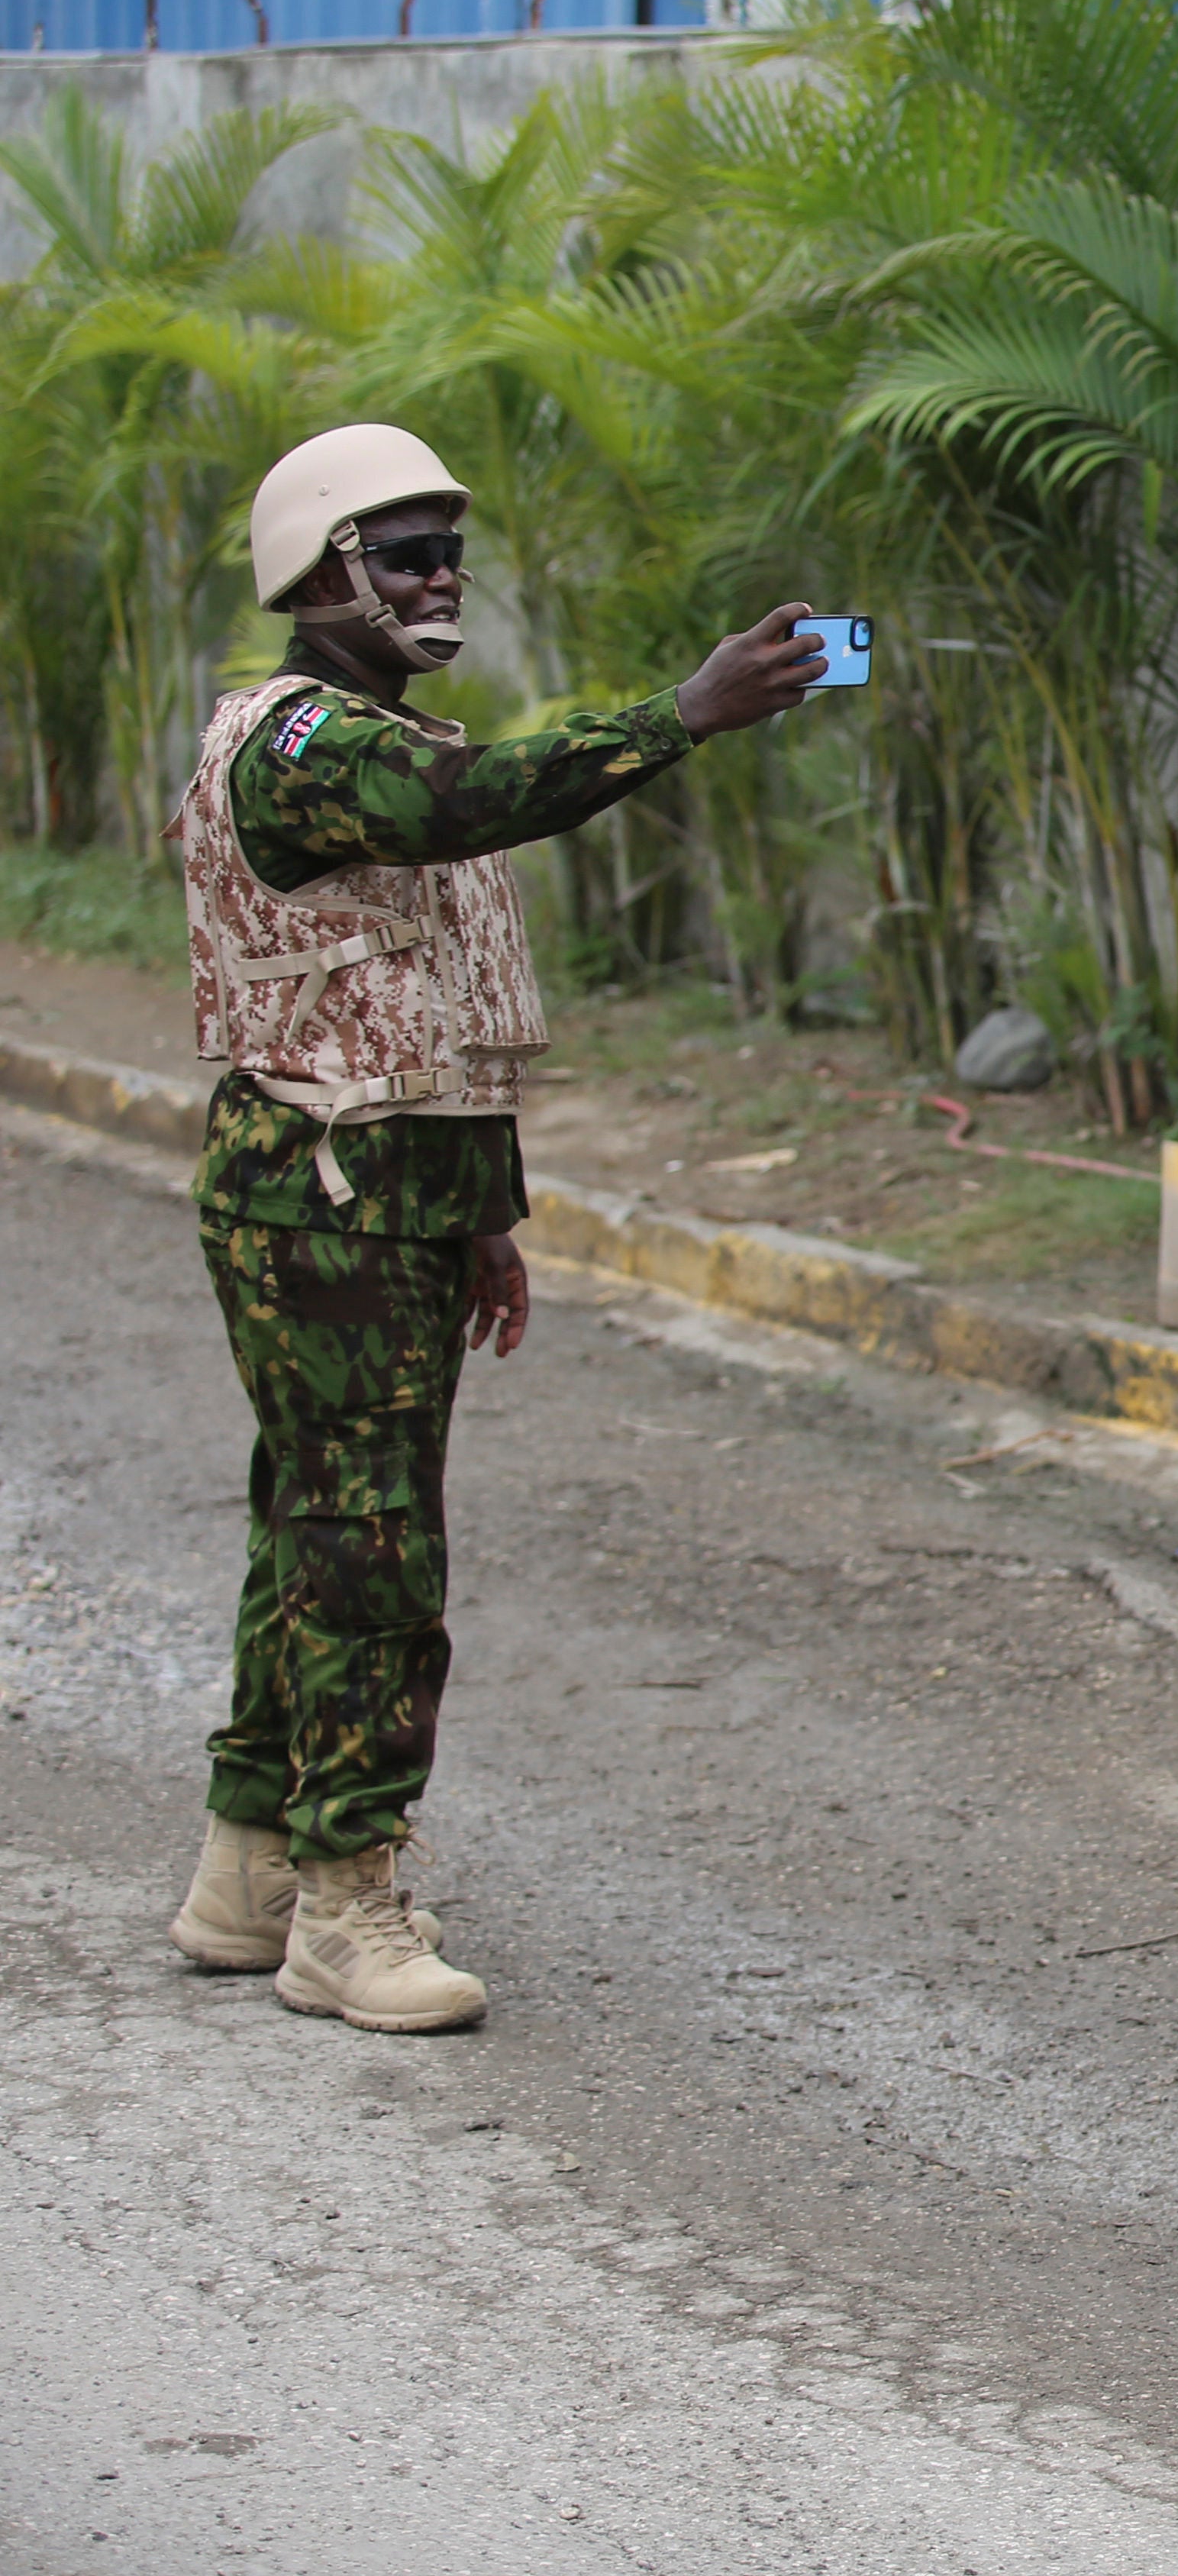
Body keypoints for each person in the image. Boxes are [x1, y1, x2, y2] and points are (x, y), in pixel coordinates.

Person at [159, 423, 826, 2033]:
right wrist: (683, 714)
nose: (441, 575)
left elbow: (422, 1011)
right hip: (322, 1190)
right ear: (324, 573)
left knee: (315, 1526)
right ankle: (346, 1904)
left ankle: (251, 1870)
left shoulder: (376, 732)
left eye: (450, 548)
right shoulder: (310, 745)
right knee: (373, 1550)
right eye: (406, 552)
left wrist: (486, 1221)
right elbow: (471, 805)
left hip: (388, 1187)